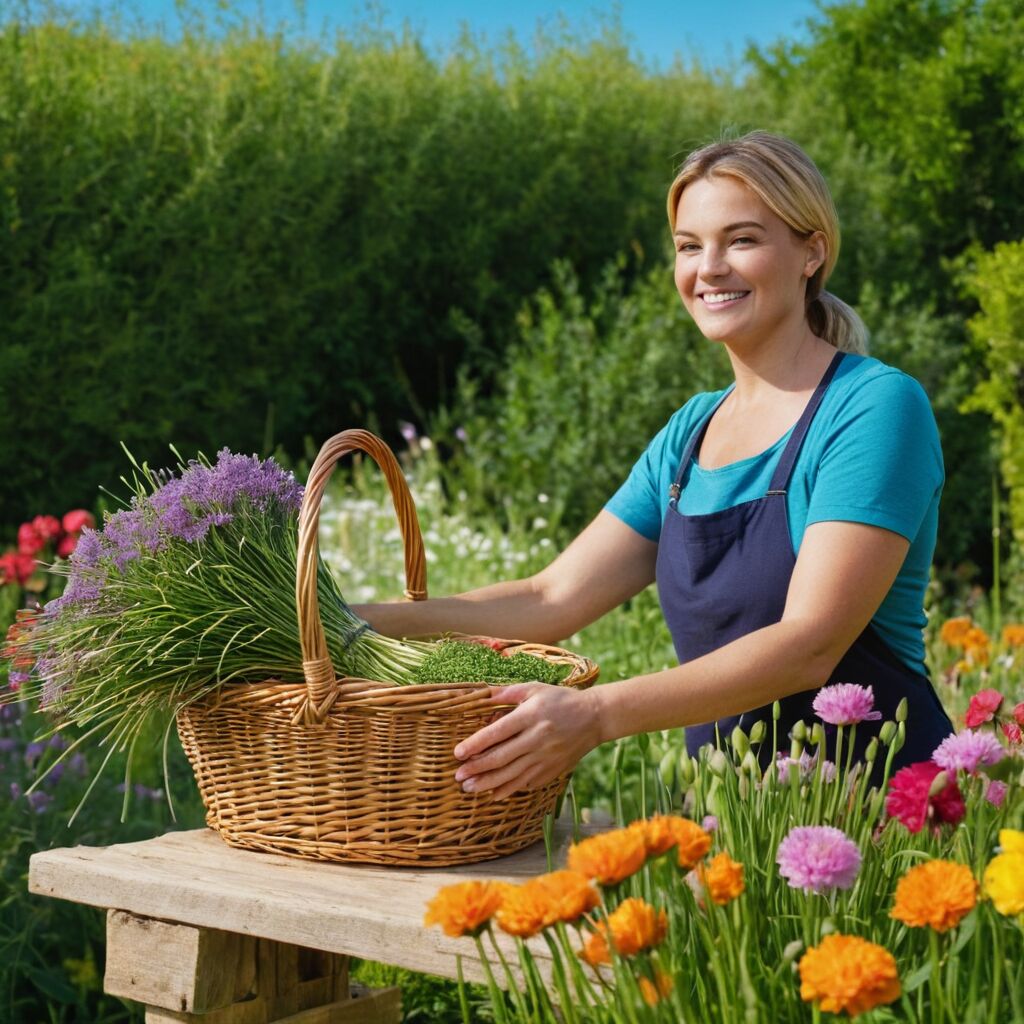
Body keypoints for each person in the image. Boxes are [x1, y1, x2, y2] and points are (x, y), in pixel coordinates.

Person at [357, 130, 953, 800]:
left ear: (812, 251)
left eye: (743, 240)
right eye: (689, 246)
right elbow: (553, 598)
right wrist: (354, 620)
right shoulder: (689, 434)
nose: (711, 268)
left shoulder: (872, 408)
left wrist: (595, 714)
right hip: (740, 821)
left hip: (885, 821)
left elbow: (809, 644)